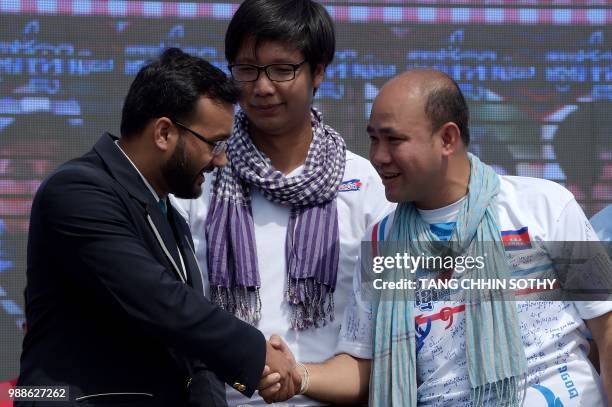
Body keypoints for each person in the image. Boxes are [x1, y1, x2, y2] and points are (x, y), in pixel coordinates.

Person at [259, 69, 612, 406]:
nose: (379, 156)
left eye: (394, 139)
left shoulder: (546, 205)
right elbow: (364, 366)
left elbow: (607, 328)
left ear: (447, 138)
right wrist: (300, 376)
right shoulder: (383, 241)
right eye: (373, 139)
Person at [17, 48, 293, 407]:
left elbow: (190, 347)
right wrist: (258, 354)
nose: (221, 160)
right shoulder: (76, 191)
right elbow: (159, 301)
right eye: (214, 144)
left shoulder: (169, 214)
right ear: (164, 133)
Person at [173, 1, 393, 405]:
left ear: (319, 72)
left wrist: (301, 377)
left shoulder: (365, 186)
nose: (261, 87)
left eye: (282, 69)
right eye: (247, 69)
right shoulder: (198, 176)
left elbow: (385, 337)